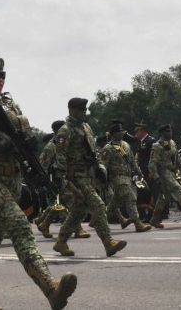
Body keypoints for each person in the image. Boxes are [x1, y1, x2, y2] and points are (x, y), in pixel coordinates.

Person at [0, 57, 75, 310]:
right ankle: (51, 289)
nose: (0, 81)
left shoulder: (10, 104)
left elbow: (23, 139)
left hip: (12, 179)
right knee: (21, 227)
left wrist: (28, 143)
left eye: (3, 77)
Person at [52, 98, 125, 257]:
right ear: (71, 110)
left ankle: (61, 242)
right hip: (76, 176)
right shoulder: (65, 131)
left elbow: (94, 152)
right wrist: (64, 181)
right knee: (98, 205)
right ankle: (108, 242)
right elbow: (61, 156)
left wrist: (101, 168)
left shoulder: (86, 127)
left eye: (85, 110)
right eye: (80, 110)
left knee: (78, 212)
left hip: (89, 175)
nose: (84, 113)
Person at [146, 124, 181, 228]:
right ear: (162, 133)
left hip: (172, 172)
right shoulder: (157, 146)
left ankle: (154, 218)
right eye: (167, 131)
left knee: (164, 197)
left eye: (170, 131)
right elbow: (152, 163)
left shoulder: (172, 143)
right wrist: (156, 177)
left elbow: (178, 158)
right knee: (178, 189)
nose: (170, 133)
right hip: (163, 172)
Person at [100, 121, 150, 231]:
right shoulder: (108, 148)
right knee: (130, 197)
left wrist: (139, 173)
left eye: (122, 131)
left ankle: (97, 220)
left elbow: (132, 161)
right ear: (112, 134)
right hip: (117, 178)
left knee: (115, 202)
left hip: (127, 177)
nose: (121, 133)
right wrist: (103, 180)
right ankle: (138, 224)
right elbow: (103, 165)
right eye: (118, 131)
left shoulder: (126, 145)